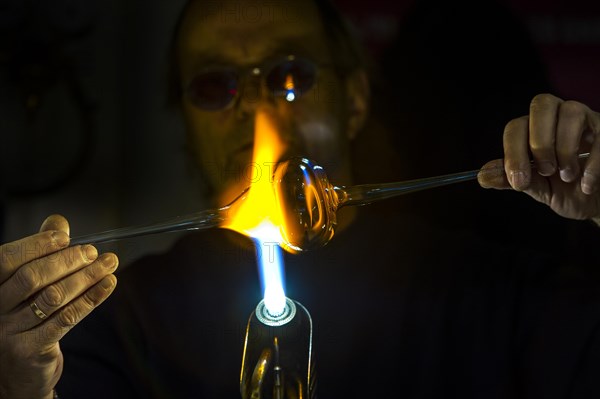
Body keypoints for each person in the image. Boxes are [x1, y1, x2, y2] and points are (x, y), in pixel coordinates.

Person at [1, 0, 599, 398]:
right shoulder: (122, 317)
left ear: (356, 98)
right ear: (184, 118)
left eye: (290, 75)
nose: (253, 109)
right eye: (216, 84)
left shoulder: (496, 291)